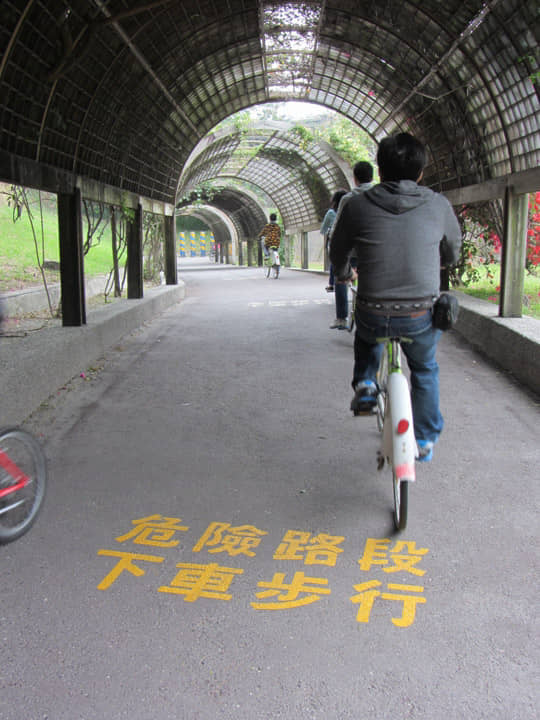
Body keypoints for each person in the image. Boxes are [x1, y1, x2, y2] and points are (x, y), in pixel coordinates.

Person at [330, 133, 461, 461]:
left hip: (374, 310)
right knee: (425, 368)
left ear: (380, 170)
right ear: (420, 172)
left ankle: (365, 385)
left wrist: (345, 272)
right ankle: (426, 438)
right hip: (421, 314)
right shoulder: (437, 204)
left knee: (367, 337)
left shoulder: (356, 204)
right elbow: (452, 251)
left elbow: (338, 251)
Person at [329, 162, 374, 329]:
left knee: (341, 278)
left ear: (355, 179)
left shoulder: (348, 198)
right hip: (373, 251)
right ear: (373, 176)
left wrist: (335, 249)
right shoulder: (380, 195)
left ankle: (341, 318)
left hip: (352, 251)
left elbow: (338, 224)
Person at [320, 189, 348, 293]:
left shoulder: (331, 212)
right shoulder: (352, 208)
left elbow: (323, 230)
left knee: (335, 262)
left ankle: (332, 284)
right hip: (352, 244)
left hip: (336, 242)